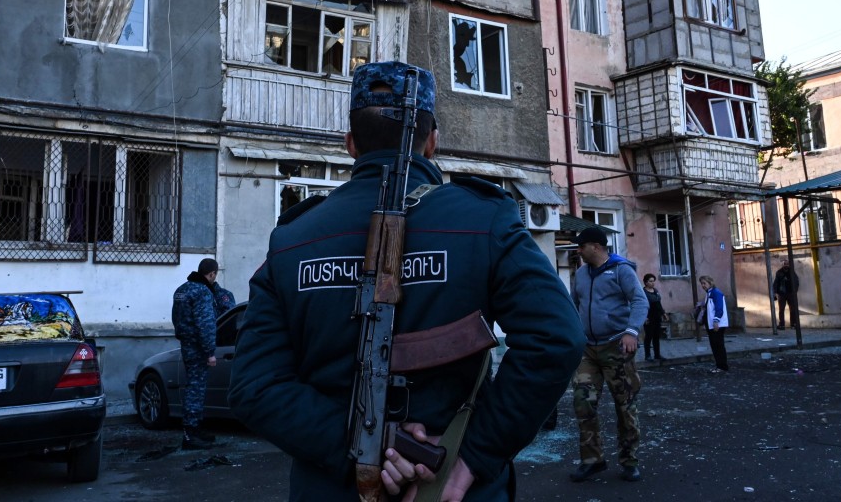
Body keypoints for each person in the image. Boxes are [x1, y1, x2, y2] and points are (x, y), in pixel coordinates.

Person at [228, 61, 585, 501]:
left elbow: (254, 387)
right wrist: (474, 454)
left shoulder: (291, 239)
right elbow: (557, 338)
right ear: (432, 141)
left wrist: (360, 450)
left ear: (350, 143)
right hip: (451, 488)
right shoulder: (484, 220)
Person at [570, 227, 648, 484]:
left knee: (625, 405)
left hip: (616, 346)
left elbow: (640, 301)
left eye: (581, 246)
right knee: (583, 403)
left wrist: (631, 331)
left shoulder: (621, 270)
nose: (578, 251)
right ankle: (593, 460)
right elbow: (574, 305)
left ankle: (629, 461)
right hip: (588, 349)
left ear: (595, 246)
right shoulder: (581, 274)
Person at [171, 257, 220, 449]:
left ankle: (196, 429)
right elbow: (205, 324)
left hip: (186, 343)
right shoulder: (203, 292)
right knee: (196, 388)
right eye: (215, 275)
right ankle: (191, 432)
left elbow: (176, 318)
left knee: (193, 385)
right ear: (212, 274)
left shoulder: (182, 290)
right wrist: (210, 352)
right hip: (198, 346)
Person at [699, 275, 729, 373]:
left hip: (717, 324)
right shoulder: (709, 293)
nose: (703, 285)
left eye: (704, 283)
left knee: (718, 345)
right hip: (711, 324)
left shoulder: (716, 293)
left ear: (710, 283)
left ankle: (722, 366)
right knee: (715, 345)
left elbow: (719, 308)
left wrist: (716, 321)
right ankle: (719, 365)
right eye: (702, 283)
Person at [642, 273, 668, 361]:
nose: (653, 283)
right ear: (646, 282)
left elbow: (658, 303)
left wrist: (663, 313)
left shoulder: (655, 291)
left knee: (656, 336)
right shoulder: (643, 292)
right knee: (648, 336)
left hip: (657, 317)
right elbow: (642, 305)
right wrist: (644, 317)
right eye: (650, 281)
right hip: (648, 318)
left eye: (654, 281)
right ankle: (647, 355)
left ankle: (657, 355)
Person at [772, 260, 799, 331]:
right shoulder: (779, 272)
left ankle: (793, 324)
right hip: (782, 294)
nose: (786, 265)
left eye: (787, 264)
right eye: (785, 264)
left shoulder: (792, 272)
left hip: (790, 293)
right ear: (782, 265)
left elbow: (796, 281)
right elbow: (776, 283)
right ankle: (782, 325)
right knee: (781, 310)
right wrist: (774, 292)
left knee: (792, 309)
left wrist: (794, 291)